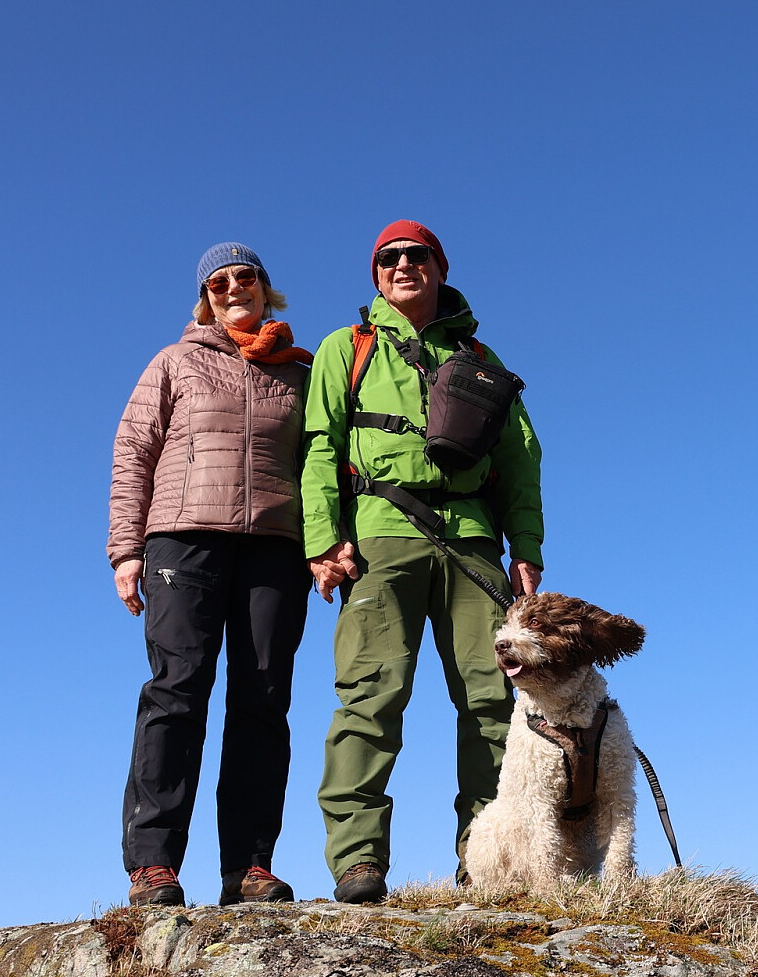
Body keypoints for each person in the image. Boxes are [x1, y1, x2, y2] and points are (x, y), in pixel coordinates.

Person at [303, 220, 544, 903]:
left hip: (473, 542)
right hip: (379, 535)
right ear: (376, 274)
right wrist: (323, 540)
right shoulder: (345, 348)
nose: (402, 265)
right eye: (389, 258)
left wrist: (526, 549)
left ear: (439, 267)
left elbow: (521, 460)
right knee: (371, 693)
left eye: (416, 255)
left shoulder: (481, 356)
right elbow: (320, 447)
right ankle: (358, 861)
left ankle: (489, 859)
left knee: (495, 699)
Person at [108, 242, 313, 906]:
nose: (232, 288)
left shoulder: (302, 371)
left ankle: (249, 867)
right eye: (217, 282)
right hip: (182, 539)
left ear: (265, 288)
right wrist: (126, 549)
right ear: (205, 299)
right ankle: (152, 862)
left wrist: (326, 544)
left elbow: (324, 462)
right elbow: (133, 451)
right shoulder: (174, 361)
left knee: (263, 700)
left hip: (276, 547)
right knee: (177, 690)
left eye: (244, 276)